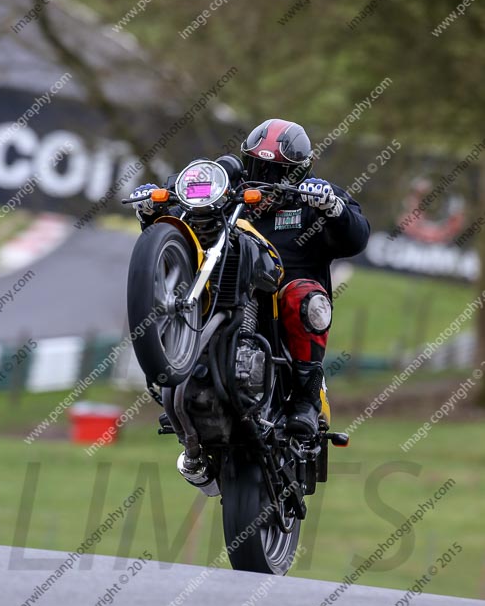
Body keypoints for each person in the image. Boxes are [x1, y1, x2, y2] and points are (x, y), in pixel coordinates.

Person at [129, 118, 370, 438]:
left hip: (285, 307)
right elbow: (177, 236)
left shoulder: (313, 199)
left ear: (300, 172)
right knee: (187, 284)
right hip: (225, 294)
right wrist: (152, 210)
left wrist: (333, 207)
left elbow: (357, 237)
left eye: (279, 172)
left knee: (303, 295)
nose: (266, 180)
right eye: (258, 168)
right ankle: (180, 386)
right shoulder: (227, 196)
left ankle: (306, 399)